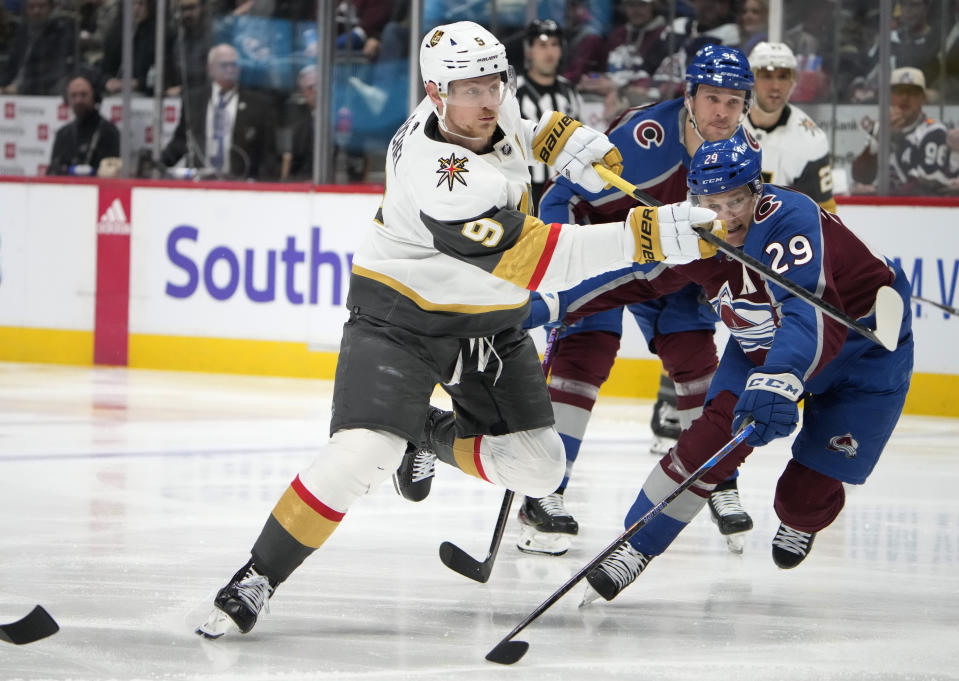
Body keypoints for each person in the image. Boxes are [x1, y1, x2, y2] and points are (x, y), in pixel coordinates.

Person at [194, 20, 718, 639]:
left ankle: (424, 431)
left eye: (495, 82)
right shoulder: (438, 174)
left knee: (540, 468)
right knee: (364, 450)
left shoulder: (482, 101)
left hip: (486, 322)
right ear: (436, 94)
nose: (489, 99)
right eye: (471, 90)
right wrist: (647, 236)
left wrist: (558, 138)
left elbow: (518, 125)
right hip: (402, 316)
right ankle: (259, 574)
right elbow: (538, 259)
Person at [533, 131, 913, 603]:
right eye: (710, 200)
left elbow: (808, 313)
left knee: (802, 497)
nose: (725, 214)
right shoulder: (692, 231)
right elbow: (634, 277)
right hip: (760, 345)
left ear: (757, 191)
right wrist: (554, 303)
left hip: (862, 352)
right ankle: (634, 547)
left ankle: (800, 521)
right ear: (693, 197)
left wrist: (779, 379)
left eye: (736, 199)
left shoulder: (789, 220)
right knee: (706, 444)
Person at [511, 44, 756, 558]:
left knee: (694, 358)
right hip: (606, 249)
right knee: (587, 351)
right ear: (688, 95)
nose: (722, 113)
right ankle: (544, 494)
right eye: (712, 98)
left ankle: (715, 478)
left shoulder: (742, 148)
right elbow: (565, 195)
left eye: (734, 102)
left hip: (672, 267)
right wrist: (559, 260)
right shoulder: (646, 139)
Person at [160, 43, 279, 180]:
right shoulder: (194, 100)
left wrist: (261, 185)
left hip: (241, 183)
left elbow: (267, 154)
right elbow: (181, 141)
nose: (230, 69)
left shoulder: (259, 105)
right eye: (224, 65)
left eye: (234, 65)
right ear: (210, 69)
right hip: (200, 182)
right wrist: (160, 165)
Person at [743, 42, 836, 212]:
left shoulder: (811, 140)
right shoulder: (726, 123)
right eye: (766, 76)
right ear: (751, 79)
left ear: (793, 82)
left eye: (783, 77)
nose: (776, 86)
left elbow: (824, 213)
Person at [850, 67, 959, 195]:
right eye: (899, 91)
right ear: (890, 97)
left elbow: (925, 187)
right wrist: (879, 140)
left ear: (923, 98)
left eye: (912, 92)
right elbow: (861, 176)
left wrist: (879, 193)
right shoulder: (882, 128)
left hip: (918, 210)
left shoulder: (935, 131)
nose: (905, 97)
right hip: (883, 208)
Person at [515, 18, 583, 212]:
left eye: (554, 44)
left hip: (564, 188)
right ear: (529, 50)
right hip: (526, 189)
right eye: (542, 45)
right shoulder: (515, 93)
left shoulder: (569, 90)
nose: (549, 51)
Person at [46, 70, 120, 176]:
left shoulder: (109, 132)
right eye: (73, 95)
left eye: (83, 95)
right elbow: (52, 172)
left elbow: (112, 174)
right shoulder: (63, 134)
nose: (78, 101)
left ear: (95, 96)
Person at [0, 0, 74, 95]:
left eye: (41, 6)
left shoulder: (60, 31)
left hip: (41, 92)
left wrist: (20, 88)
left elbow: (52, 73)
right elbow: (12, 65)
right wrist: (2, 85)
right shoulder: (23, 31)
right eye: (32, 7)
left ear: (51, 8)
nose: (36, 11)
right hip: (11, 90)